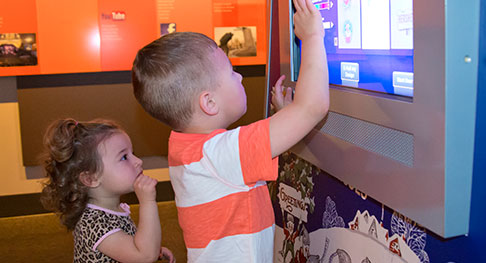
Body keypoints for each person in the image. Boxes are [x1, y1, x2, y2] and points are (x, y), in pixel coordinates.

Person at [131, 0, 328, 261]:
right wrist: (312, 36)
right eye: (232, 72)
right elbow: (312, 107)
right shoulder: (221, 154)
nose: (240, 78)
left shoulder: (185, 146)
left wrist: (284, 117)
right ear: (209, 103)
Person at [40, 118, 175, 263]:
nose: (138, 161)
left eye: (132, 153)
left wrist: (154, 248)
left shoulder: (108, 209)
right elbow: (145, 256)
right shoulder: (93, 224)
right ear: (90, 178)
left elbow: (133, 246)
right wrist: (147, 202)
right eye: (124, 157)